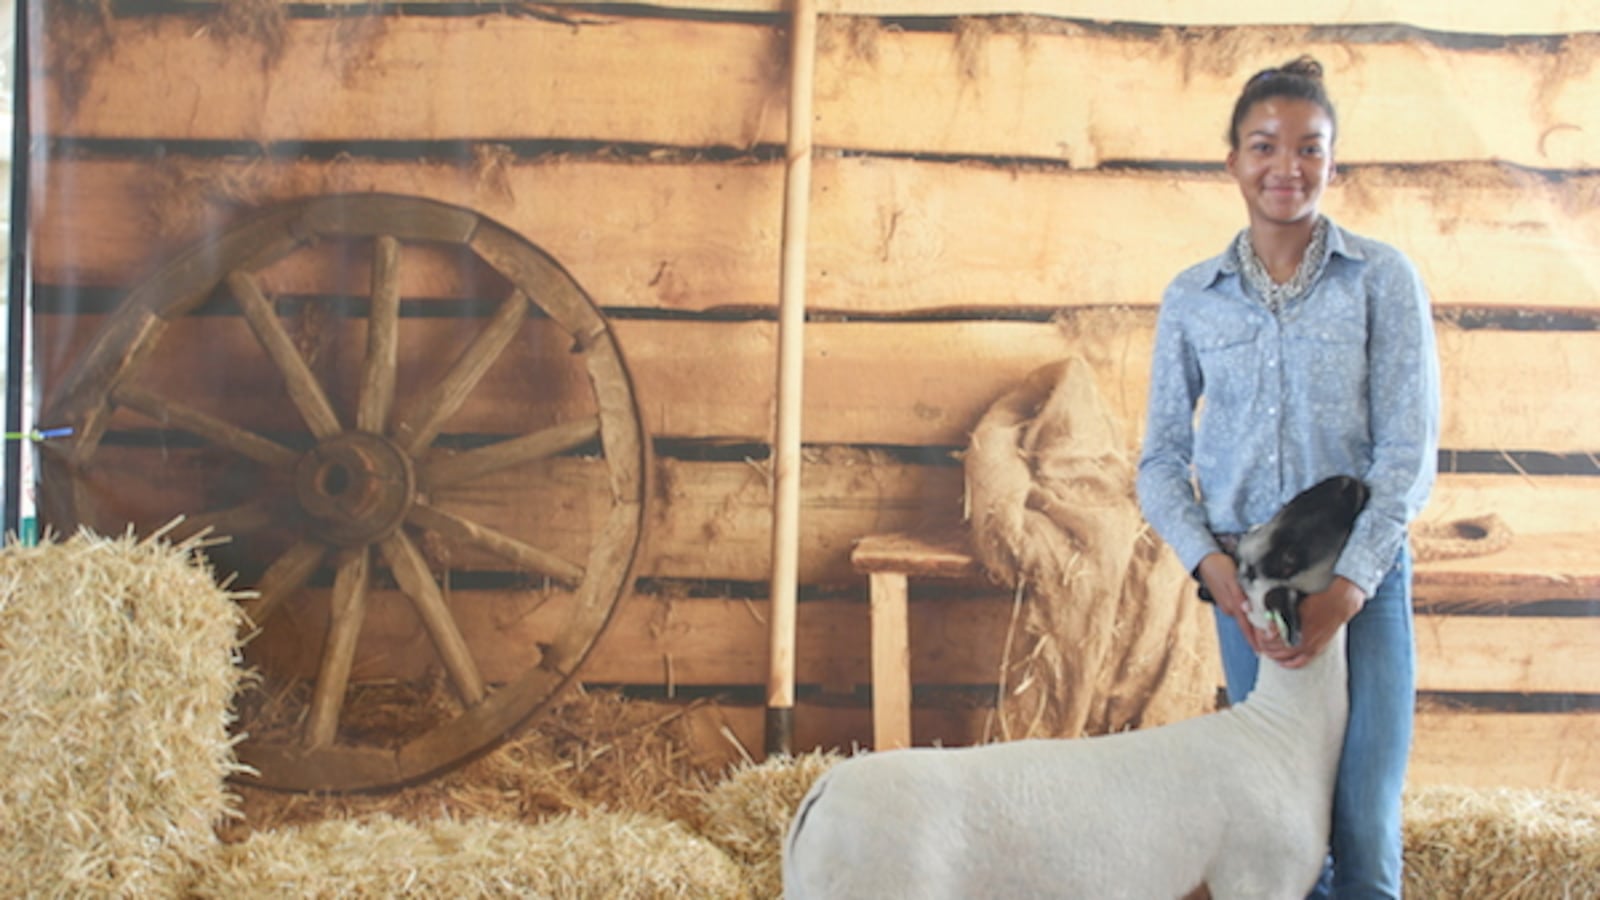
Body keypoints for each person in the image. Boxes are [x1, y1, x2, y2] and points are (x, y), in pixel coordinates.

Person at [1136, 56, 1441, 899]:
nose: (1287, 167)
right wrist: (1216, 571)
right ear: (1231, 160)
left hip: (1362, 582)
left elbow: (1407, 454)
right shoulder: (1194, 299)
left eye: (1310, 148)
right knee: (1281, 822)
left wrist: (1349, 587)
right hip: (1250, 587)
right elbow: (1160, 461)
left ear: (1333, 162)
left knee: (1364, 821)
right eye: (1264, 146)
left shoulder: (1382, 280)